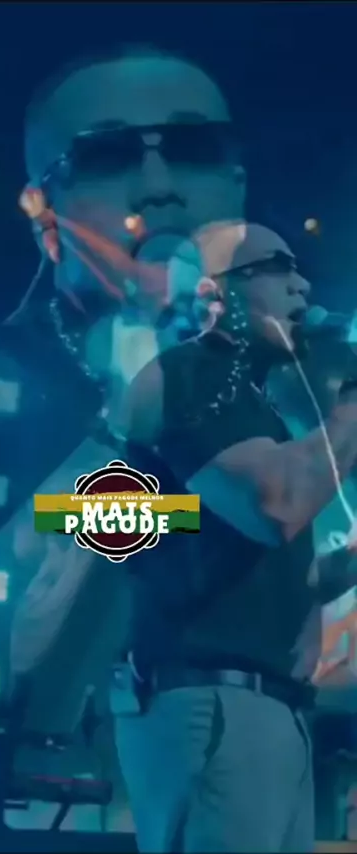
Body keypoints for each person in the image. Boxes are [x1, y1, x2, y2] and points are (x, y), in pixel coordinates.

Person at [0, 45, 247, 736]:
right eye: (107, 157)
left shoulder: (307, 386)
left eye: (193, 149)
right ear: (43, 211)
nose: (159, 185)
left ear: (238, 182)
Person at [113, 219, 357, 853]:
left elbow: (277, 573)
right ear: (213, 292)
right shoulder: (191, 373)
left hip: (268, 706)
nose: (303, 285)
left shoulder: (257, 409)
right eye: (278, 267)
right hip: (215, 701)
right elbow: (275, 507)